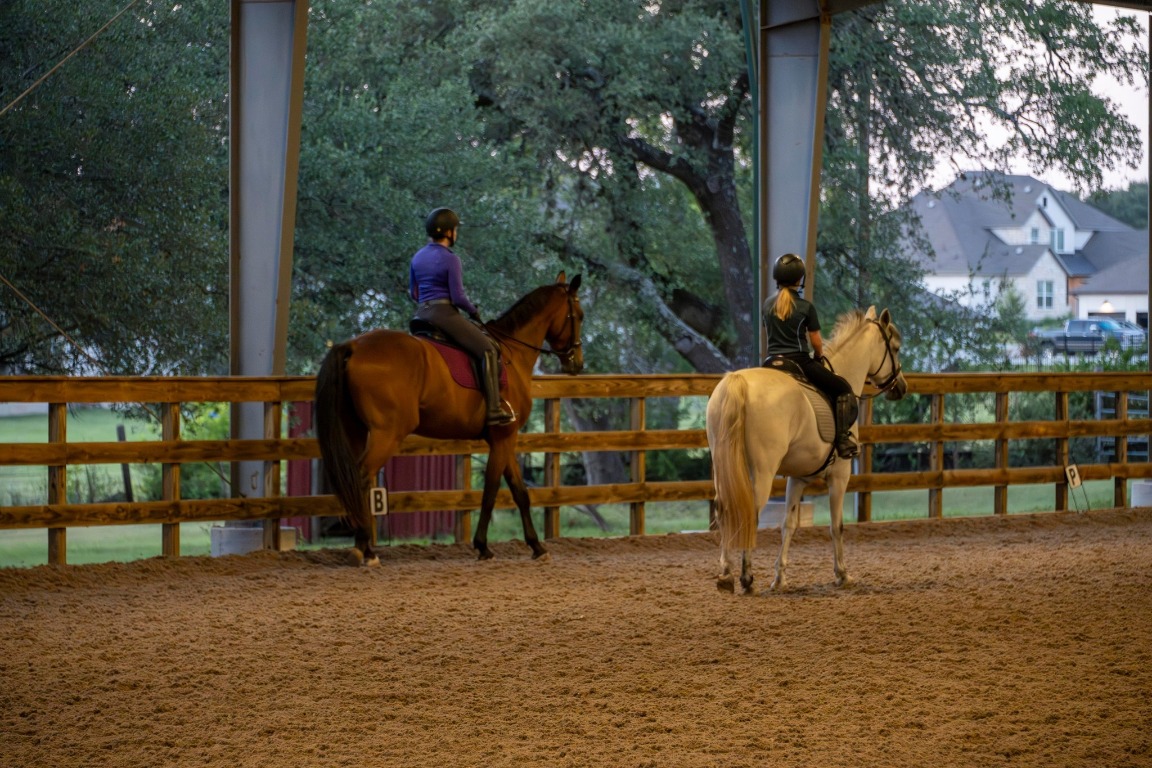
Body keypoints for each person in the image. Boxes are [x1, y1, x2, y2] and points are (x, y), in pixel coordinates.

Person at [408, 207, 515, 426]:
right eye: (455, 230)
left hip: (420, 315)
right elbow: (457, 297)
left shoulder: (417, 257)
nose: (456, 233)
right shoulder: (451, 259)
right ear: (449, 232)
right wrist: (473, 311)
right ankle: (494, 409)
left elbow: (414, 293)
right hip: (444, 314)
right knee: (488, 348)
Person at [763, 252, 858, 459]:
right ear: (800, 279)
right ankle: (842, 440)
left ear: (776, 278)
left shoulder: (767, 305)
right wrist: (819, 355)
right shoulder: (805, 307)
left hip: (770, 363)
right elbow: (815, 340)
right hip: (798, 361)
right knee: (843, 389)